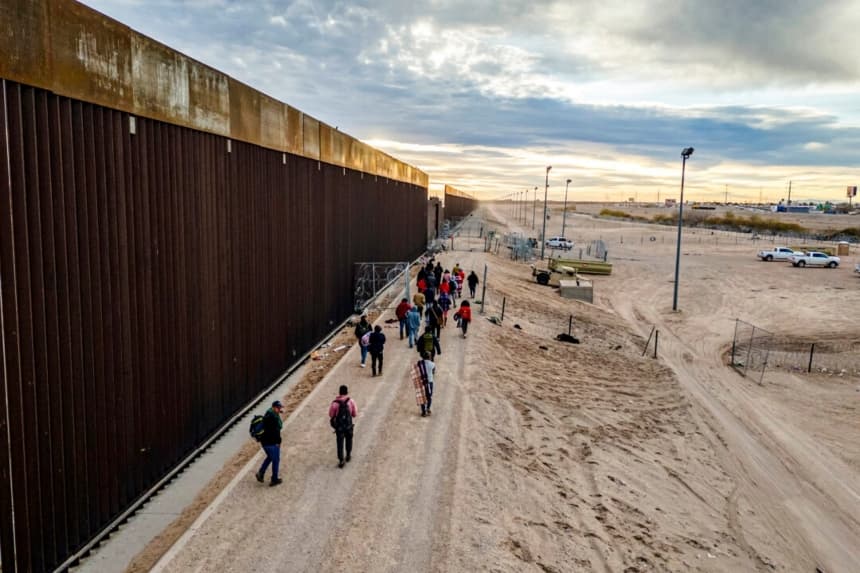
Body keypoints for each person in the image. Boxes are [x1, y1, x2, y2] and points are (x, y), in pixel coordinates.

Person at [255, 400, 285, 486]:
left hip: (264, 443)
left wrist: (278, 414)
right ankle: (274, 479)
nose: (280, 409)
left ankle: (261, 473)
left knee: (270, 457)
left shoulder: (268, 414)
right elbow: (276, 432)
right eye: (279, 408)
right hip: (271, 443)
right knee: (276, 460)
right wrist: (278, 442)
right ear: (274, 408)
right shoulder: (273, 418)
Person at [329, 385, 358, 468]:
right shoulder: (351, 401)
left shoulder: (335, 403)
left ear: (339, 392)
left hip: (339, 427)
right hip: (349, 426)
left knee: (340, 443)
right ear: (347, 392)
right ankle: (348, 455)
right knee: (349, 440)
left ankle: (341, 460)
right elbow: (354, 414)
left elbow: (331, 415)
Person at [417, 352, 436, 417]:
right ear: (429, 357)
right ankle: (428, 408)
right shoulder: (432, 364)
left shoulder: (419, 363)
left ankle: (423, 412)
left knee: (422, 397)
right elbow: (433, 371)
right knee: (429, 397)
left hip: (422, 382)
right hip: (429, 381)